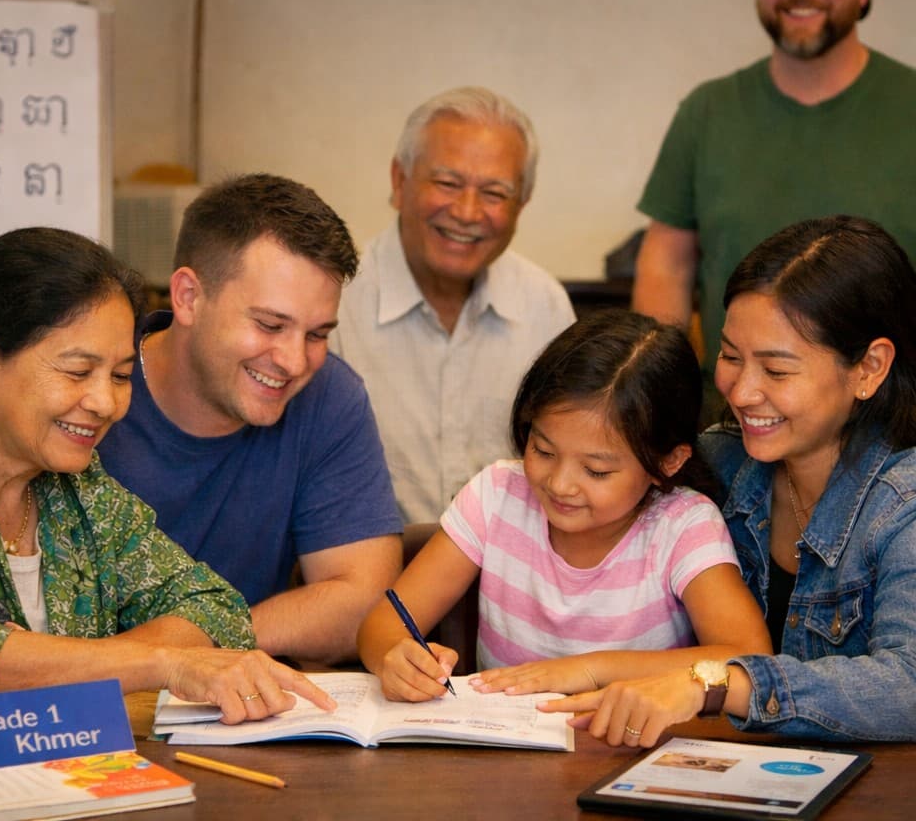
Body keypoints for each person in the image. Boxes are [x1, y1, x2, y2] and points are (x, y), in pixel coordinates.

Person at [0, 226, 335, 720]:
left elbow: (212, 606)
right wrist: (159, 663)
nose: (106, 403)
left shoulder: (77, 488)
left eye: (121, 377)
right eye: (78, 372)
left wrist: (71, 667)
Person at [551, 216, 916, 745]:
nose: (741, 392)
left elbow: (907, 685)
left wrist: (716, 684)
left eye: (776, 370)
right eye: (729, 356)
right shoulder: (718, 459)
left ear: (869, 368)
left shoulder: (903, 501)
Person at [356, 309, 770, 702]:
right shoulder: (497, 495)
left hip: (630, 756)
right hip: (504, 754)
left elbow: (749, 658)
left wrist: (591, 670)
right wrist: (395, 658)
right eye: (543, 450)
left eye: (596, 471)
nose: (559, 484)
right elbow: (383, 625)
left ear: (667, 463)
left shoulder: (682, 525)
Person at [97, 174, 402, 665]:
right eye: (269, 325)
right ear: (189, 297)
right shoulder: (87, 390)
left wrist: (186, 652)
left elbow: (365, 600)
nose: (295, 361)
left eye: (318, 334)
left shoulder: (329, 396)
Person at [633, 0, 916, 420]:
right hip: (740, 421)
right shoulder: (708, 111)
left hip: (895, 431)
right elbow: (667, 262)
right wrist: (660, 402)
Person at [330, 86, 575, 523]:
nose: (466, 211)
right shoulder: (335, 303)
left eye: (495, 193)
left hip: (512, 578)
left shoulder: (546, 307)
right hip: (369, 574)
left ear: (523, 203)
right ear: (399, 180)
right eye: (447, 183)